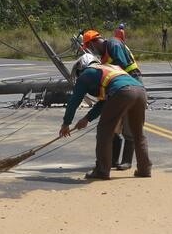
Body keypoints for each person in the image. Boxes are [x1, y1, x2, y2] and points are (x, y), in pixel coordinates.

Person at [59, 52, 152, 180]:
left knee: (104, 131)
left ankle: (102, 170)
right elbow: (104, 102)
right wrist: (87, 119)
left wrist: (66, 123)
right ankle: (144, 169)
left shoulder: (86, 74)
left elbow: (74, 101)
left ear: (82, 67)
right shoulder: (108, 69)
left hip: (122, 92)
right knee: (138, 133)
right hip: (141, 91)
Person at [80, 29, 143, 171]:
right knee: (113, 125)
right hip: (119, 88)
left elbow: (121, 66)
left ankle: (127, 161)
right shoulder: (104, 56)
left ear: (95, 42)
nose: (90, 50)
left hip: (131, 83)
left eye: (89, 47)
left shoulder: (114, 44)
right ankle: (113, 160)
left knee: (128, 124)